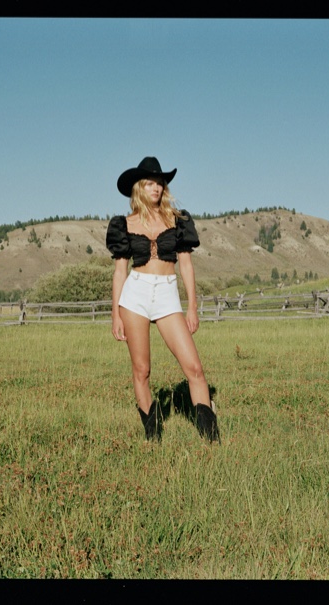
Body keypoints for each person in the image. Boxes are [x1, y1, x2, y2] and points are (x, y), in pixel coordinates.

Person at [106, 156, 220, 444]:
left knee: (194, 368)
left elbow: (186, 266)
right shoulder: (124, 224)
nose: (156, 188)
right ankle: (153, 436)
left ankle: (211, 440)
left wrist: (192, 307)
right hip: (135, 296)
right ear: (139, 188)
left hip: (168, 295)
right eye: (149, 183)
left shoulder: (178, 220)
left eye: (159, 183)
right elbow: (120, 271)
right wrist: (115, 314)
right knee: (142, 370)